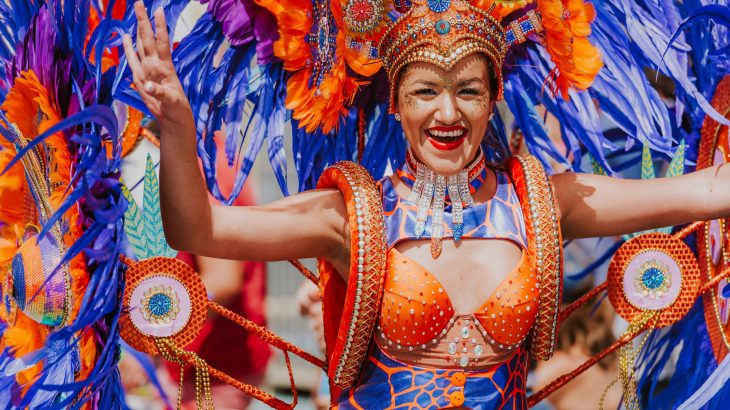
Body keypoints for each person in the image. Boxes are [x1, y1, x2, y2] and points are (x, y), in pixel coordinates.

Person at [122, 1, 730, 408]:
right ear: (395, 104)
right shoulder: (354, 215)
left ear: (492, 102)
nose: (447, 113)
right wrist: (175, 123)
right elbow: (198, 227)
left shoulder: (542, 203)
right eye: (425, 91)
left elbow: (709, 190)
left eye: (468, 90)